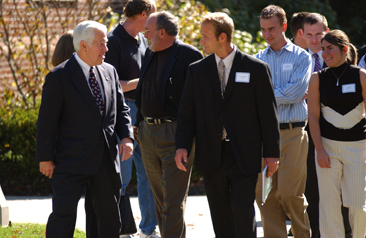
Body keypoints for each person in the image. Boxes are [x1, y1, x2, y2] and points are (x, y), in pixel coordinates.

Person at [174, 12, 280, 238]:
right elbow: (186, 114)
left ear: (222, 37)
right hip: (212, 153)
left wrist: (272, 154)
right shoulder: (196, 70)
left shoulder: (256, 68)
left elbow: (268, 115)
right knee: (220, 215)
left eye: (205, 36)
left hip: (245, 153)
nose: (201, 41)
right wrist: (182, 146)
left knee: (243, 212)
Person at [35, 20, 134, 238]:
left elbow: (121, 109)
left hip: (106, 159)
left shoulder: (110, 71)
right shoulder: (59, 77)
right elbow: (46, 122)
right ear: (84, 46)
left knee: (109, 217)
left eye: (105, 43)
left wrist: (126, 137)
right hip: (70, 160)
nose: (106, 49)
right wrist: (45, 157)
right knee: (64, 215)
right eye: (102, 43)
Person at [134, 11, 202, 238]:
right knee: (161, 200)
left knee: (173, 202)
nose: (144, 34)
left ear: (161, 33)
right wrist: (139, 126)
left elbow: (196, 102)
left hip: (175, 135)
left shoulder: (188, 55)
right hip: (148, 134)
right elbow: (143, 90)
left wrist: (185, 138)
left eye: (148, 31)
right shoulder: (150, 53)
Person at [254, 5, 312, 238]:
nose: (267, 35)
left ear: (284, 27)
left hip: (293, 133)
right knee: (264, 194)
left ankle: (302, 234)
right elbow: (253, 97)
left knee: (289, 193)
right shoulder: (257, 59)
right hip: (264, 135)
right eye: (264, 30)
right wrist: (277, 94)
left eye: (272, 29)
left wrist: (264, 95)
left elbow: (296, 94)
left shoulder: (302, 57)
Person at [104, 1, 159, 237]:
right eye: (153, 15)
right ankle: (122, 229)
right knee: (123, 175)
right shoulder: (113, 40)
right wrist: (144, 80)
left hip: (145, 111)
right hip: (123, 110)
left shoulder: (143, 39)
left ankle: (149, 230)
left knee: (148, 172)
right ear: (144, 14)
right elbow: (111, 84)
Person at [308, 29, 366, 238]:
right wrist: (320, 150)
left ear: (344, 49)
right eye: (322, 49)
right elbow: (313, 117)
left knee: (359, 204)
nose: (325, 53)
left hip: (359, 148)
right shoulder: (317, 78)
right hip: (327, 148)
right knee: (329, 205)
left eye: (329, 48)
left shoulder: (361, 75)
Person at [301, 12, 329, 238]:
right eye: (309, 34)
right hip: (305, 128)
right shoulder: (298, 58)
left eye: (318, 34)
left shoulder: (338, 55)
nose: (313, 39)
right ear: (302, 34)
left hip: (334, 128)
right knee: (310, 184)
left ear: (326, 33)